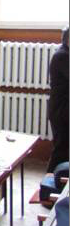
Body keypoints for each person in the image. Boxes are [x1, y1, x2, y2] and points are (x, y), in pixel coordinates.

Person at [47, 26, 69, 173]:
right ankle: (48, 181)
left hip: (63, 109)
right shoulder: (62, 56)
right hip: (61, 111)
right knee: (61, 150)